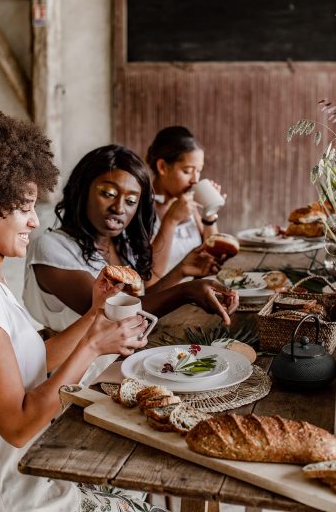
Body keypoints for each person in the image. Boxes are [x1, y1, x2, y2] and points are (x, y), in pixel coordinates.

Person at [0, 110, 161, 512]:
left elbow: (25, 363)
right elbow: (18, 426)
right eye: (24, 208)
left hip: (11, 488)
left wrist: (95, 314)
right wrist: (90, 347)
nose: (35, 221)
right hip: (6, 499)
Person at [23, 144, 238, 383]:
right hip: (73, 376)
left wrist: (181, 271)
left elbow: (141, 302)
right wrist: (186, 291)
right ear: (82, 190)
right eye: (108, 193)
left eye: (131, 200)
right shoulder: (51, 247)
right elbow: (116, 312)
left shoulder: (121, 243)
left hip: (124, 363)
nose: (119, 208)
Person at [146, 126, 226, 283]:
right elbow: (149, 279)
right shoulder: (141, 208)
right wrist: (171, 220)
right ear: (162, 167)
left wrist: (209, 213)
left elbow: (213, 256)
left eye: (199, 170)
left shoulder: (187, 203)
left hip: (196, 293)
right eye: (188, 171)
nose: (195, 180)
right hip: (162, 300)